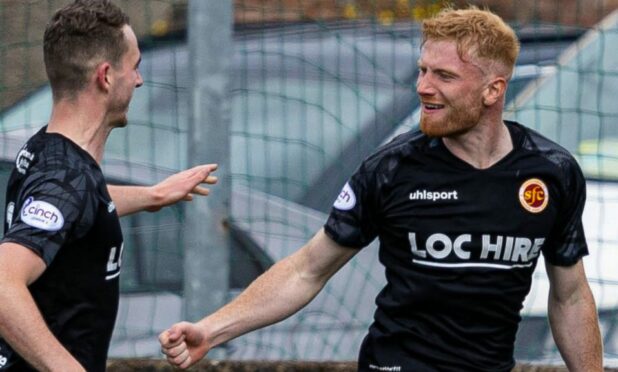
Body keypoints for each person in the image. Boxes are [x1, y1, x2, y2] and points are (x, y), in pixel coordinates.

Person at [159, 6, 603, 371]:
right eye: (422, 70)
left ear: (493, 90)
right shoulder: (392, 168)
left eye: (444, 76)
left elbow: (570, 295)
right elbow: (306, 269)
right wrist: (211, 330)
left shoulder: (551, 172)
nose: (423, 87)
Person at [0, 0, 218, 371]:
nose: (139, 80)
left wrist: (154, 196)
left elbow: (75, 207)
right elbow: (3, 284)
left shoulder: (45, 149)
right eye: (134, 67)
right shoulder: (65, 177)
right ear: (105, 76)